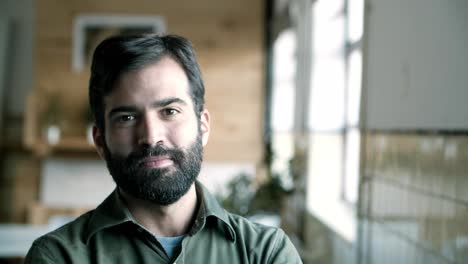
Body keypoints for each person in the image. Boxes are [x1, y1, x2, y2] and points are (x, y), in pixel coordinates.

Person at [25, 34, 302, 263]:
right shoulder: (58, 257)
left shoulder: (266, 253)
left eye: (169, 111)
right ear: (100, 141)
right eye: (127, 118)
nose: (151, 136)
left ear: (202, 126)